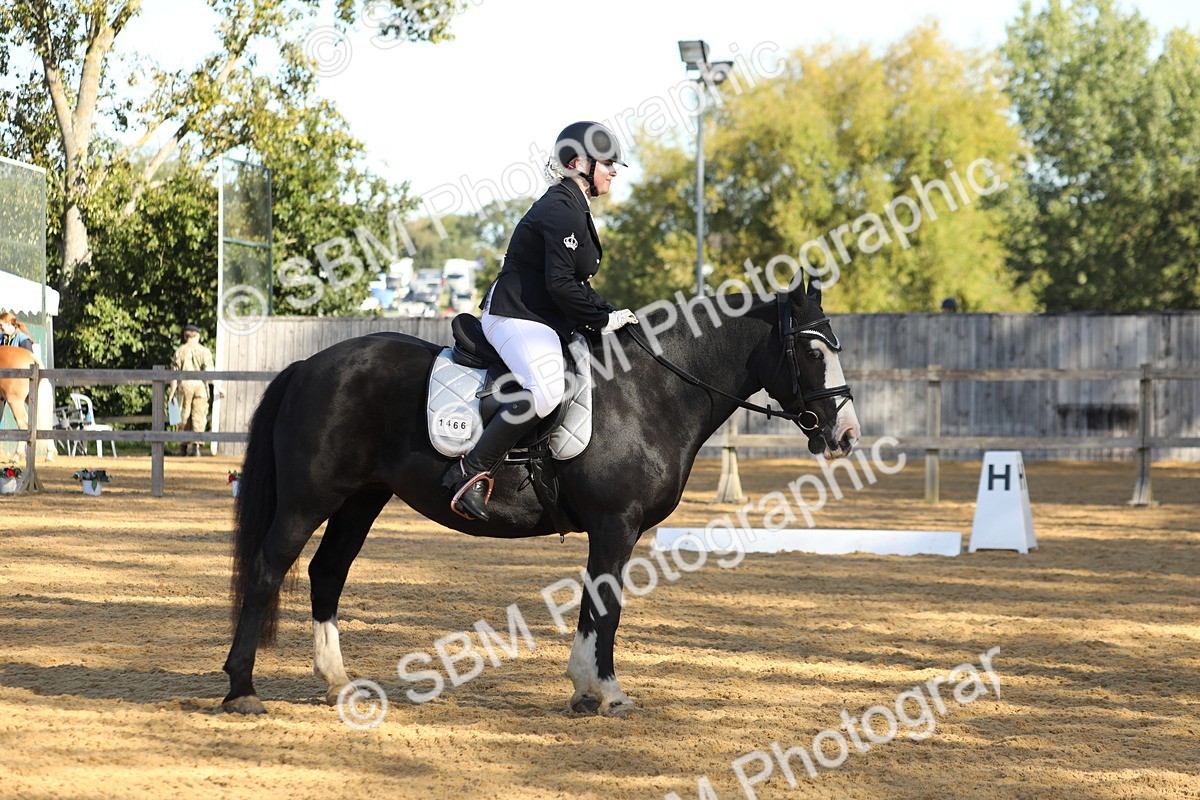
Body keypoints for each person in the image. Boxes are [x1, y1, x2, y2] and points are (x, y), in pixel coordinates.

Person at [443, 121, 640, 521]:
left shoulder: (575, 206)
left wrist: (609, 312)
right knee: (547, 389)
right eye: (607, 163)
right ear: (578, 163)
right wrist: (602, 317)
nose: (614, 171)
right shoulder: (560, 209)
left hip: (541, 318)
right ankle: (470, 472)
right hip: (516, 315)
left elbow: (574, 283)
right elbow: (561, 285)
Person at [168, 324, 215, 456]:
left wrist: (172, 392)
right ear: (197, 335)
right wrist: (218, 387)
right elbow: (210, 372)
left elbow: (174, 373)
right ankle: (197, 447)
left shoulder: (180, 351)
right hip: (201, 386)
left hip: (185, 385)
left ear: (185, 336)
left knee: (184, 414)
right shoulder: (204, 351)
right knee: (199, 415)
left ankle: (183, 447)